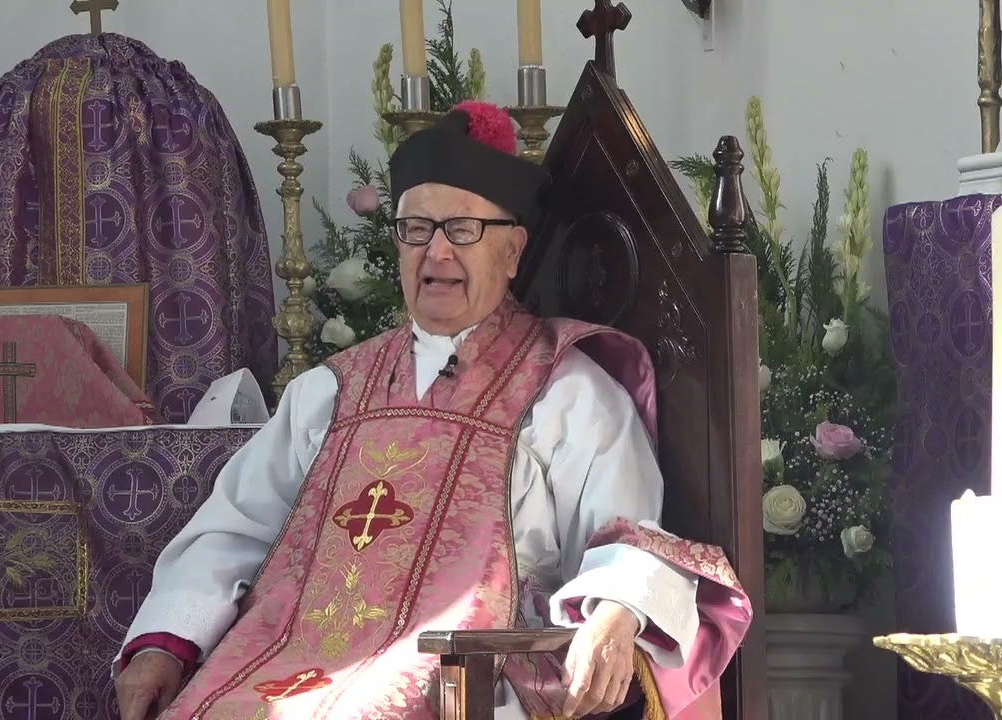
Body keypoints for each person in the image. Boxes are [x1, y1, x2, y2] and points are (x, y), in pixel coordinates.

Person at [114, 100, 751, 720]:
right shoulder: (330, 391)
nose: (436, 252)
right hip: (287, 662)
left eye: (463, 230)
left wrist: (616, 611)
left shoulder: (569, 392)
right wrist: (164, 642)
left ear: (513, 251)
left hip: (469, 678)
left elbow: (629, 534)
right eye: (417, 229)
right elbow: (234, 528)